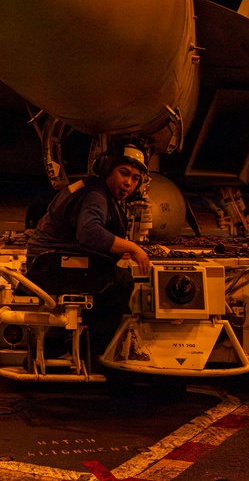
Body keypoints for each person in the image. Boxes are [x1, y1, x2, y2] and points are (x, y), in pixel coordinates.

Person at [26, 141, 151, 354]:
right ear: (106, 169)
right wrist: (133, 248)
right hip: (52, 265)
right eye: (123, 173)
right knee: (120, 283)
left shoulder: (90, 188)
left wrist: (115, 248)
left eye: (135, 178)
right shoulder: (96, 195)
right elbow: (89, 233)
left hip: (47, 261)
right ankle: (90, 355)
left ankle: (54, 349)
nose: (128, 183)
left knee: (108, 277)